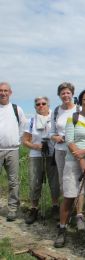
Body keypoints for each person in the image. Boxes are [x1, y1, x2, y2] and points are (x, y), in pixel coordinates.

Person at [54, 88, 85, 248]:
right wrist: (81, 159)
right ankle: (62, 230)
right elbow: (69, 141)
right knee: (69, 197)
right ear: (80, 102)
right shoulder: (73, 118)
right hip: (72, 162)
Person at [49, 82, 85, 231]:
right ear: (59, 95)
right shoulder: (56, 111)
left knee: (79, 180)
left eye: (68, 93)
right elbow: (51, 132)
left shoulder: (79, 110)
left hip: (76, 150)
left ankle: (80, 215)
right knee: (64, 182)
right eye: (63, 93)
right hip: (60, 150)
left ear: (72, 94)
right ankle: (67, 213)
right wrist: (55, 137)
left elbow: (84, 129)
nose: (65, 95)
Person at [22, 97, 60, 224]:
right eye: (38, 104)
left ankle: (55, 206)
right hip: (36, 155)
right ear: (35, 107)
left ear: (48, 105)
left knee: (54, 182)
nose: (41, 106)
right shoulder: (31, 121)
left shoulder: (54, 118)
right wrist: (35, 146)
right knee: (35, 182)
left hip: (52, 154)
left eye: (43, 103)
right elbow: (25, 140)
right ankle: (34, 208)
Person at [0, 82, 27, 221]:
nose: (3, 93)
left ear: (10, 92)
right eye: (1, 90)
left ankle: (12, 208)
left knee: (13, 181)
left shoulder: (17, 109)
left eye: (5, 90)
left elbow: (23, 125)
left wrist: (18, 139)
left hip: (13, 150)